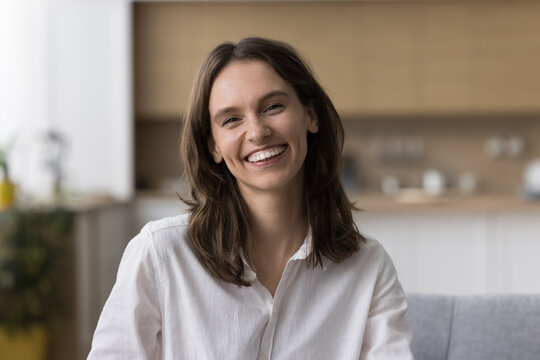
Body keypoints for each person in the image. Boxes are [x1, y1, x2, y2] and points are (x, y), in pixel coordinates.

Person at [88, 37, 413, 359]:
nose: (257, 132)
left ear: (310, 116)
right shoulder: (160, 255)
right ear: (213, 146)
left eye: (273, 107)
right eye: (231, 119)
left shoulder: (368, 267)